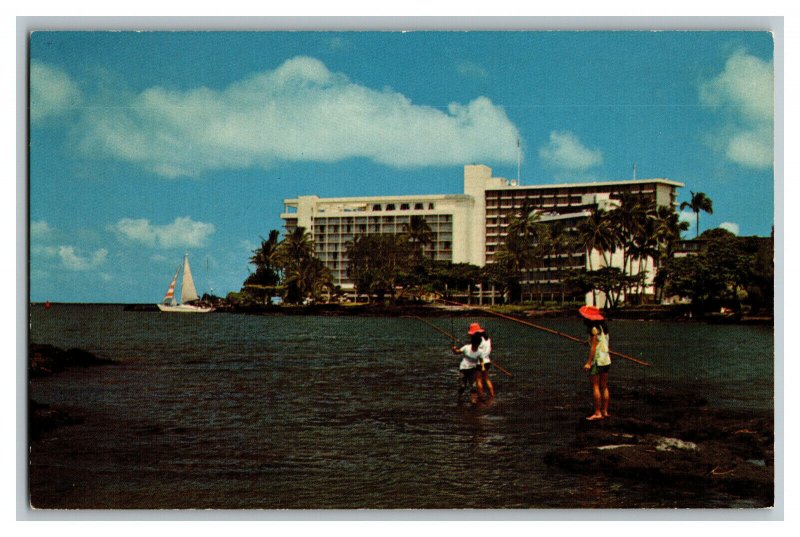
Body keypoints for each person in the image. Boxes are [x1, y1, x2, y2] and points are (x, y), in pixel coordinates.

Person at [579, 305, 611, 420]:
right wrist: (587, 341)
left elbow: (594, 348)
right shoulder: (603, 328)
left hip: (597, 360)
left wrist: (588, 362)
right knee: (604, 386)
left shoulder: (593, 329)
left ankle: (597, 413)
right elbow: (600, 342)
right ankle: (605, 411)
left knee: (596, 386)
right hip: (606, 359)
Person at [451, 323, 494, 402]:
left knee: (478, 380)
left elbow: (474, 349)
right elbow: (487, 350)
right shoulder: (487, 339)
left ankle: (480, 398)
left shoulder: (478, 340)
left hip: (479, 362)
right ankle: (492, 396)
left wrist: (465, 348)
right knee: (487, 379)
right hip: (487, 360)